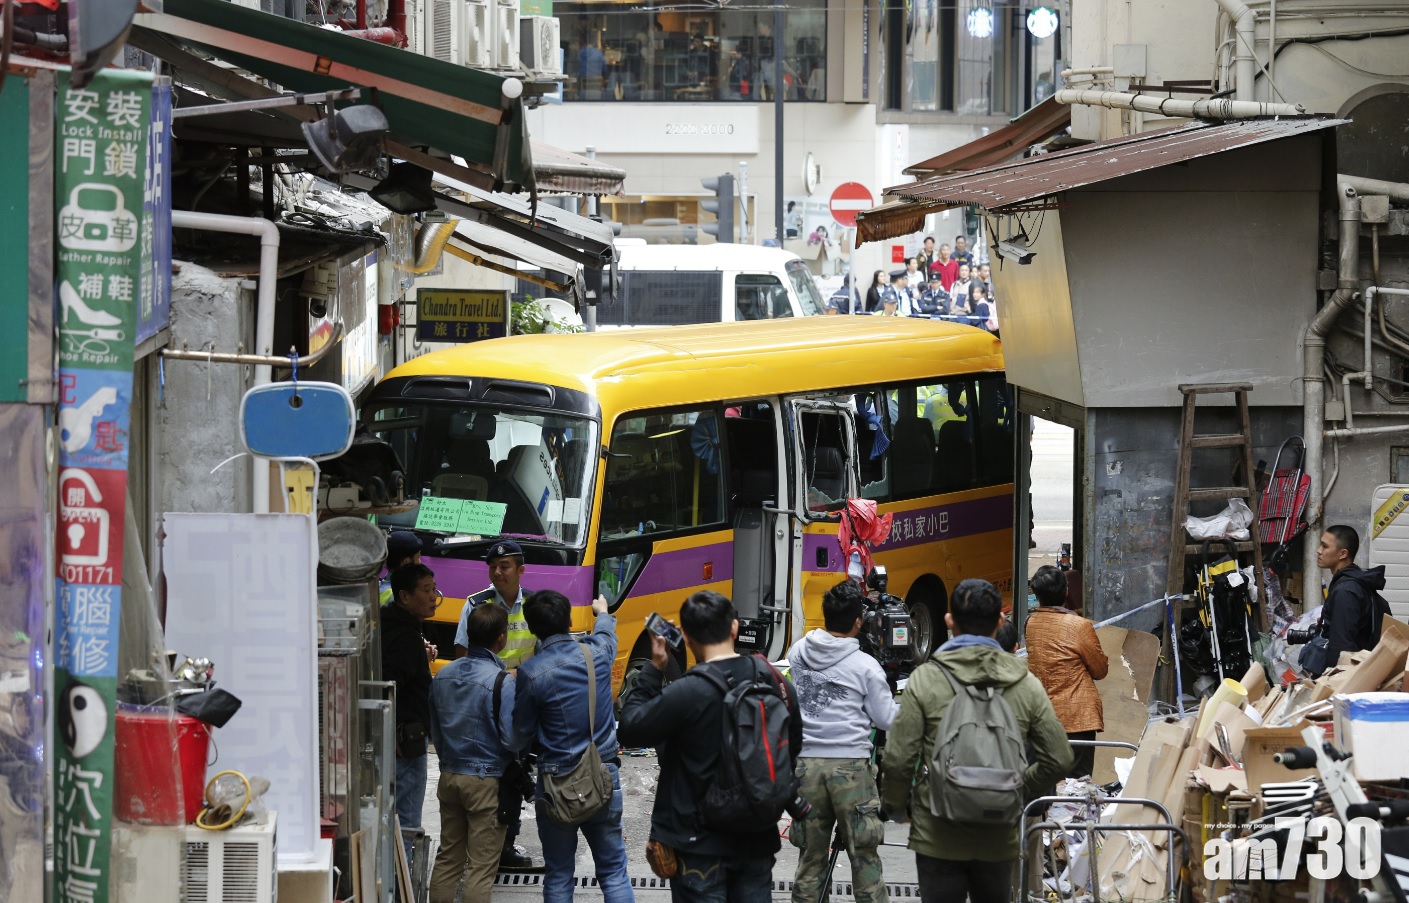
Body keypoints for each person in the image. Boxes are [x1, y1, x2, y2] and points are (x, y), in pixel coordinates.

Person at [881, 578, 1072, 903]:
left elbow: (898, 758)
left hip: (936, 832)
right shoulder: (1025, 684)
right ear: (1001, 621)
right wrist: (1017, 786)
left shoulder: (926, 680)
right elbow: (1059, 757)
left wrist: (896, 808)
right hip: (998, 834)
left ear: (949, 621)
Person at [619, 591, 802, 903]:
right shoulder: (772, 678)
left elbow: (630, 729)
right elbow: (792, 743)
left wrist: (655, 667)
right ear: (734, 628)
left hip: (698, 845)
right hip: (756, 835)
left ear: (686, 637)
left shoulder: (685, 692)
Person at [513, 591, 633, 903]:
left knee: (559, 873)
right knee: (613, 871)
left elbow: (520, 736)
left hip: (556, 786)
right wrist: (602, 612)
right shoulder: (598, 652)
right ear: (569, 621)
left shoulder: (531, 673)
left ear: (532, 628)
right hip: (603, 776)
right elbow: (607, 630)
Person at [787, 581, 899, 903]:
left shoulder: (798, 653)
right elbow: (885, 719)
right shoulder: (865, 666)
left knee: (810, 858)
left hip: (805, 768)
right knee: (864, 858)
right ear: (858, 622)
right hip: (850, 769)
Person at [428, 604, 524, 903]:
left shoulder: (443, 676)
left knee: (448, 859)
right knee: (481, 868)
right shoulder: (501, 681)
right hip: (486, 780)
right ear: (500, 638)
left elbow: (436, 730)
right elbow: (511, 739)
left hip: (450, 775)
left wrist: (449, 761)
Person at [453, 540, 537, 869]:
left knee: (515, 776)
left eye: (505, 567)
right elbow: (463, 656)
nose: (498, 572)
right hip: (483, 705)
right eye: (493, 567)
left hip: (520, 708)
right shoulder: (476, 604)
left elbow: (545, 657)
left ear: (520, 570)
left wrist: (521, 677)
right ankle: (479, 845)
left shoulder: (533, 605)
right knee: (482, 776)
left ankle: (506, 845)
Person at [1023, 566, 1108, 779]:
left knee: (1050, 786)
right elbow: (1100, 670)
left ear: (1036, 594)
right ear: (1066, 592)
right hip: (1078, 718)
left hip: (1045, 716)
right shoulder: (1079, 626)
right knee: (1078, 786)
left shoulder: (1030, 623)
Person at [382, 563, 441, 861]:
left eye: (434, 590)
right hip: (405, 743)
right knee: (406, 822)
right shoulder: (405, 637)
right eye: (427, 591)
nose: (433, 597)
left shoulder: (396, 625)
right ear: (405, 596)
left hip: (401, 739)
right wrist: (391, 732)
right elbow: (388, 685)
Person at [1315, 525, 1390, 666]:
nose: (1319, 551)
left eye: (1325, 546)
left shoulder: (1346, 591)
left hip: (1348, 677)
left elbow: (1342, 647)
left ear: (1343, 554)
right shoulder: (1355, 583)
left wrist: (1330, 681)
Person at [380, 531, 423, 604]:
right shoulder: (401, 598)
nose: (420, 562)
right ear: (406, 562)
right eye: (418, 557)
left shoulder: (377, 586)